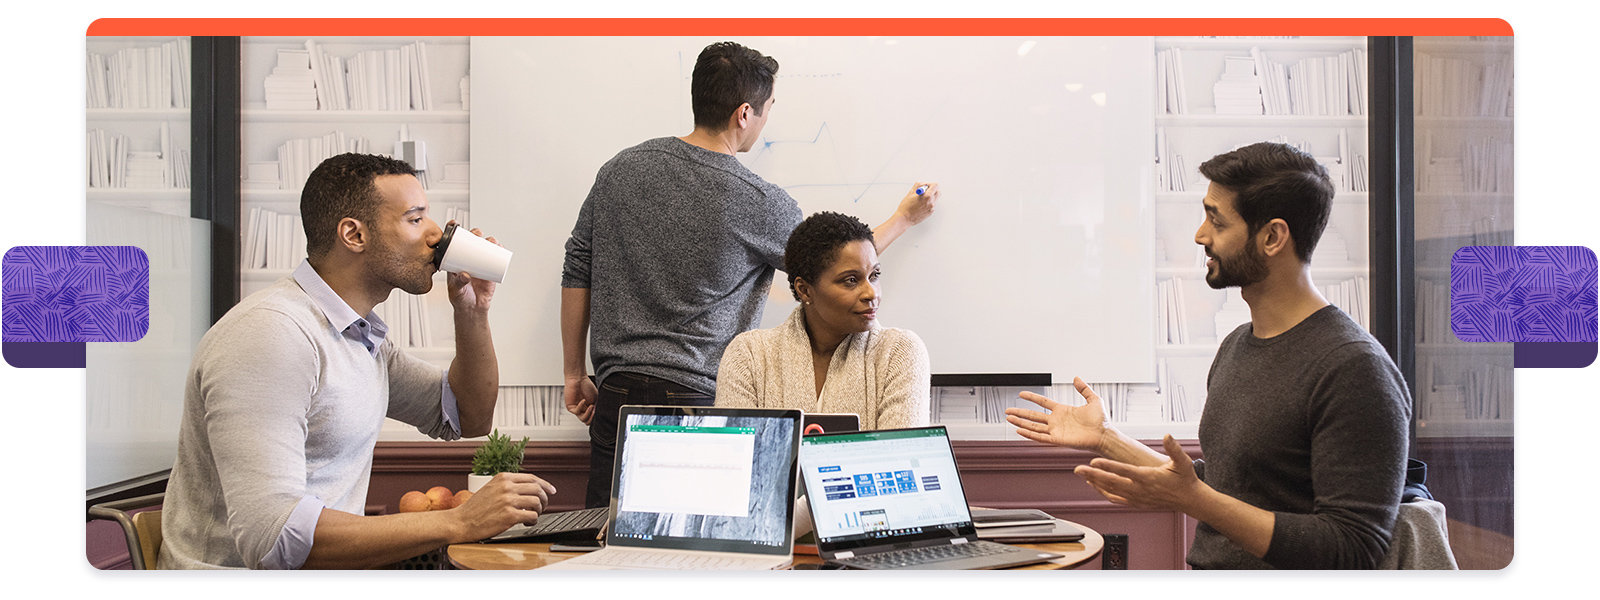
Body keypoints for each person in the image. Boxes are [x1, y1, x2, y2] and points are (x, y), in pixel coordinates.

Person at [561, 41, 939, 508]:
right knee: (693, 550)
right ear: (744, 113)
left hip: (615, 393)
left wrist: (574, 370)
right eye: (768, 109)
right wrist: (905, 217)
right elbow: (828, 264)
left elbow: (578, 264)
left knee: (612, 549)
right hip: (700, 401)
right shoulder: (756, 200)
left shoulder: (620, 169)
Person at [1005, 142, 1411, 569]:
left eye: (1216, 221)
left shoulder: (1354, 369)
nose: (1201, 235)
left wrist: (1197, 500)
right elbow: (1216, 491)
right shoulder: (1238, 344)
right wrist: (1106, 438)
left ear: (1272, 237)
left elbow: (1352, 548)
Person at [161, 153, 557, 569]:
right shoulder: (271, 335)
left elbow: (466, 414)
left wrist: (472, 312)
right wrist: (459, 521)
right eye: (415, 218)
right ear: (353, 234)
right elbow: (272, 539)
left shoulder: (359, 336)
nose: (436, 234)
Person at [715, 211, 930, 429]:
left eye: (874, 276)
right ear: (805, 290)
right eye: (851, 280)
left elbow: (896, 458)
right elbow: (737, 455)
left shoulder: (899, 352)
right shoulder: (749, 354)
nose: (871, 293)